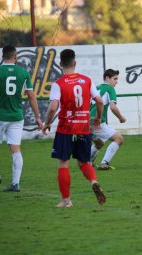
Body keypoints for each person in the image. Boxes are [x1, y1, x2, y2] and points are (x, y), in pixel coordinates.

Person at [42, 49, 105, 208]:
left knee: (63, 163)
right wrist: (97, 117)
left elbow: (52, 107)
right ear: (74, 63)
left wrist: (47, 122)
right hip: (83, 126)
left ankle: (66, 200)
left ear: (61, 63)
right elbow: (99, 101)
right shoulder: (87, 80)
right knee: (84, 162)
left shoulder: (59, 84)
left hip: (66, 128)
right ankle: (94, 181)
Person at [0, 45, 43, 192]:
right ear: (15, 57)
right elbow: (31, 96)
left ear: (2, 56)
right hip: (17, 116)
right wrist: (38, 118)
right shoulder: (23, 73)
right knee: (15, 149)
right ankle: (15, 183)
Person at [90, 69, 126, 170]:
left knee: (99, 143)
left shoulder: (96, 88)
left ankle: (87, 162)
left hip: (86, 123)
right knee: (119, 139)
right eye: (115, 79)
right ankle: (104, 163)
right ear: (107, 78)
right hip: (97, 122)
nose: (116, 82)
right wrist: (121, 118)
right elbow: (113, 107)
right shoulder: (110, 89)